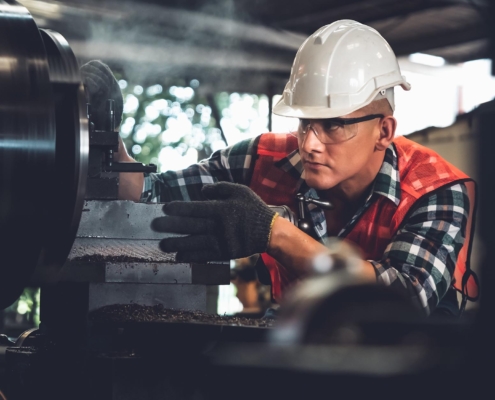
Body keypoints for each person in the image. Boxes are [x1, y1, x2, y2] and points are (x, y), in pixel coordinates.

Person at [81, 20, 477, 317]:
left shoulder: (435, 189)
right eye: (305, 122)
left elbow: (404, 300)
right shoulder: (264, 160)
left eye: (334, 124)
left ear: (383, 130)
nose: (309, 143)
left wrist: (272, 233)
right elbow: (151, 197)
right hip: (299, 347)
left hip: (406, 366)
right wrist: (107, 136)